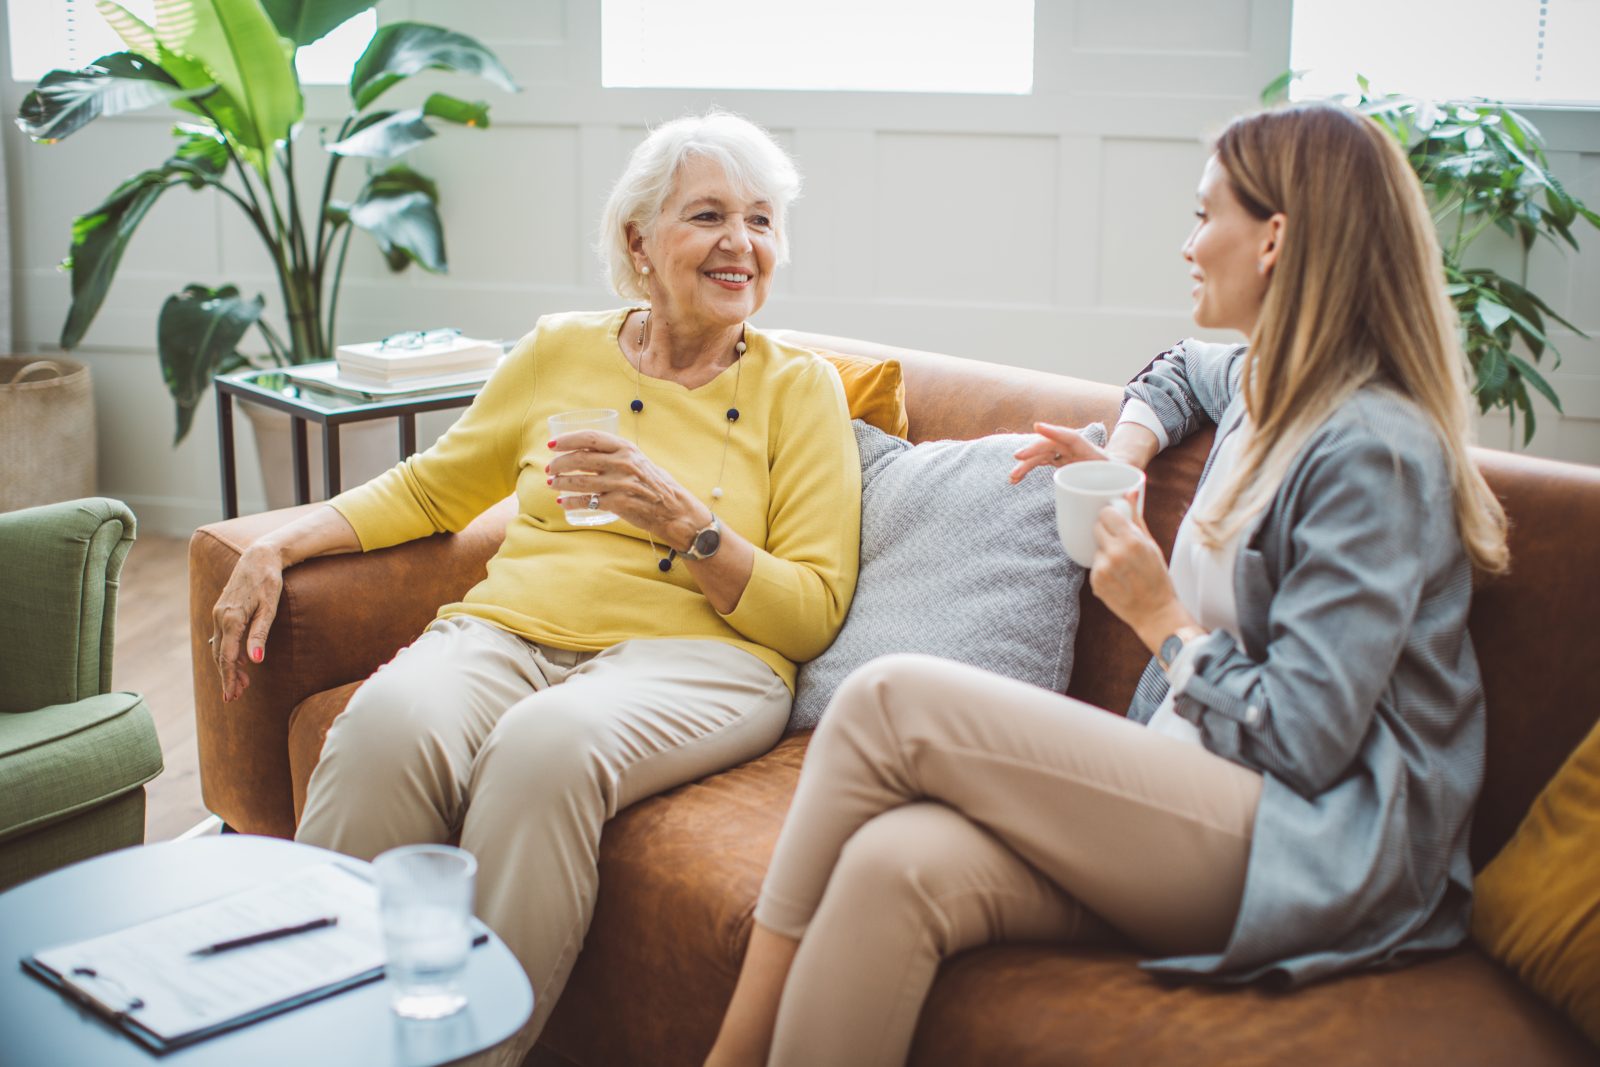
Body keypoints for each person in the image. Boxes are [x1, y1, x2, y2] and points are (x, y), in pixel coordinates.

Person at [705, 102, 1510, 1067]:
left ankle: (730, 1053)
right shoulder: (1270, 381)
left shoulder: (1372, 452)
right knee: (894, 864)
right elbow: (1177, 374)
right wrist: (1122, 454)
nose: (1187, 243)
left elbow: (1306, 741)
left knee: (890, 697)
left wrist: (1159, 615)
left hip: (1310, 843)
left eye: (1205, 214)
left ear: (1275, 239)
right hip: (1196, 784)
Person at [207, 110, 860, 1060]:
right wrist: (280, 545)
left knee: (541, 749)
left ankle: (474, 1053)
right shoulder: (560, 349)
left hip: (703, 659)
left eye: (761, 221)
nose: (741, 244)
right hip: (508, 633)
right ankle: (322, 1035)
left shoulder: (800, 390)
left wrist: (685, 521)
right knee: (387, 727)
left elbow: (809, 612)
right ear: (639, 240)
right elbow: (434, 485)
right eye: (709, 215)